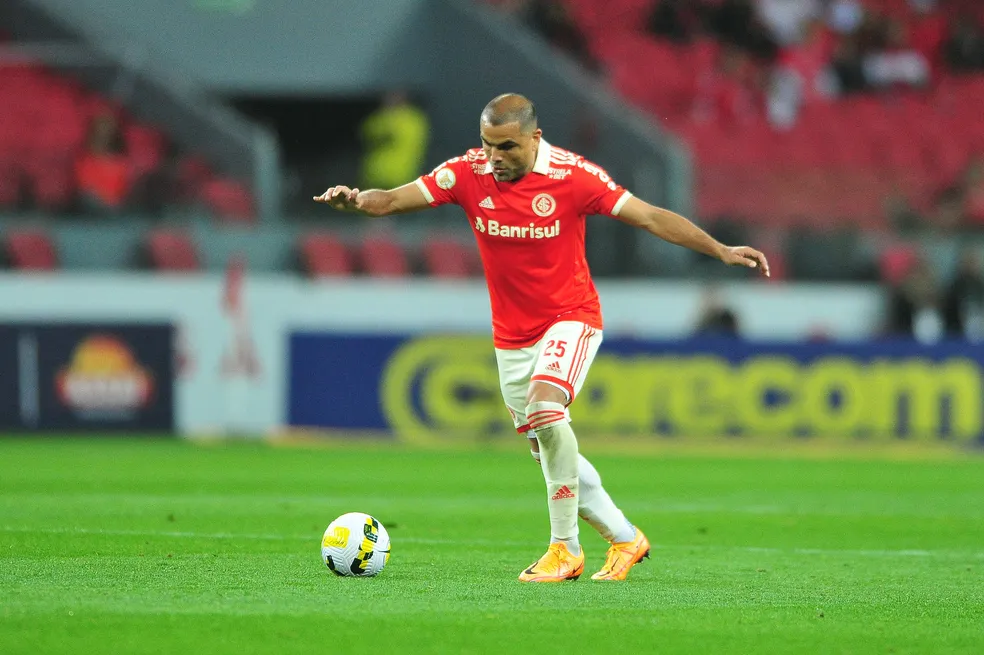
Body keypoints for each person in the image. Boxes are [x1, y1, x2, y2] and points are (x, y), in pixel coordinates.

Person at [314, 94, 770, 583]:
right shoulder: (466, 173)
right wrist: (357, 200)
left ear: (535, 138)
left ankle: (564, 549)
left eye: (507, 146)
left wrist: (720, 250)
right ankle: (625, 537)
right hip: (511, 337)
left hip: (571, 317)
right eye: (488, 144)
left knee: (546, 408)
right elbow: (392, 200)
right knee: (548, 449)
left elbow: (651, 217)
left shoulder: (575, 177)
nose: (494, 157)